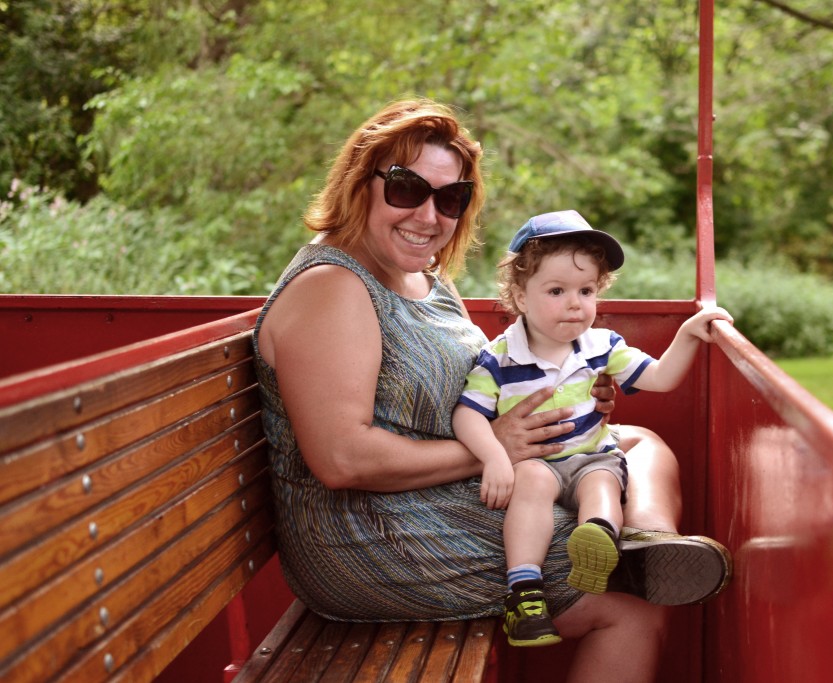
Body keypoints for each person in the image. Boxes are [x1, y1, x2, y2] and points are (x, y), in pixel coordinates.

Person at [252, 98, 731, 682]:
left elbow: (485, 378)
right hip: (367, 533)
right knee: (627, 605)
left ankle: (645, 540)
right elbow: (342, 459)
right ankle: (631, 554)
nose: (429, 215)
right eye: (407, 188)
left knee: (638, 442)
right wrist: (498, 445)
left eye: (450, 198)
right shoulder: (332, 287)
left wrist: (573, 392)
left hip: (444, 486)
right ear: (361, 182)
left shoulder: (424, 278)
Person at [453, 210, 734, 647]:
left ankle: (600, 542)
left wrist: (688, 334)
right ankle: (525, 593)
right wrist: (493, 457)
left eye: (586, 290)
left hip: (589, 457)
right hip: (536, 462)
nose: (575, 303)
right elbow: (467, 413)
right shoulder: (500, 357)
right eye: (557, 290)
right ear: (521, 297)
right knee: (528, 482)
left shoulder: (602, 347)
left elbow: (658, 377)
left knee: (603, 480)